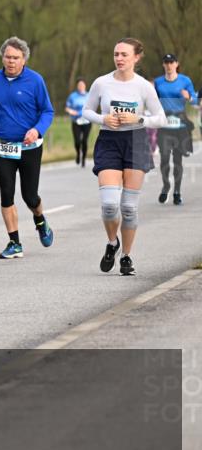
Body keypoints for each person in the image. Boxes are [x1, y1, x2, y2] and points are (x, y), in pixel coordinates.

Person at [81, 38, 167, 276]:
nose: (119, 58)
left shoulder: (143, 87)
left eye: (124, 54)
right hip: (109, 141)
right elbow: (86, 110)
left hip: (136, 142)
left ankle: (127, 257)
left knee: (128, 208)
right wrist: (103, 119)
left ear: (136, 57)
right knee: (109, 205)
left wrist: (139, 119)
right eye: (116, 54)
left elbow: (161, 118)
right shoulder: (102, 83)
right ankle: (112, 243)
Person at [0, 37, 56, 259]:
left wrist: (37, 130)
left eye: (15, 58)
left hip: (29, 146)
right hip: (3, 145)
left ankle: (40, 220)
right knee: (6, 194)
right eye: (7, 57)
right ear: (2, 57)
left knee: (30, 196)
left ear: (24, 60)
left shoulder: (35, 81)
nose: (10, 61)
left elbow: (47, 111)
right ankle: (14, 242)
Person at [153, 53, 197, 205]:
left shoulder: (185, 80)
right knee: (164, 159)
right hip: (164, 125)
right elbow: (152, 100)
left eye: (171, 62)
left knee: (177, 160)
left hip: (180, 126)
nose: (169, 65)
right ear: (163, 65)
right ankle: (166, 185)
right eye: (166, 62)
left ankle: (177, 191)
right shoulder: (158, 82)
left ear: (177, 64)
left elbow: (196, 99)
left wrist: (189, 97)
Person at [65, 78, 92, 167]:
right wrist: (71, 111)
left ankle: (83, 158)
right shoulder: (73, 96)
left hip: (87, 121)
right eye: (79, 85)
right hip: (76, 121)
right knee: (77, 141)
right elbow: (67, 108)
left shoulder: (89, 96)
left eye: (82, 85)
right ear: (77, 86)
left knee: (84, 141)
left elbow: (93, 107)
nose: (80, 86)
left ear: (85, 85)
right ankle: (78, 154)